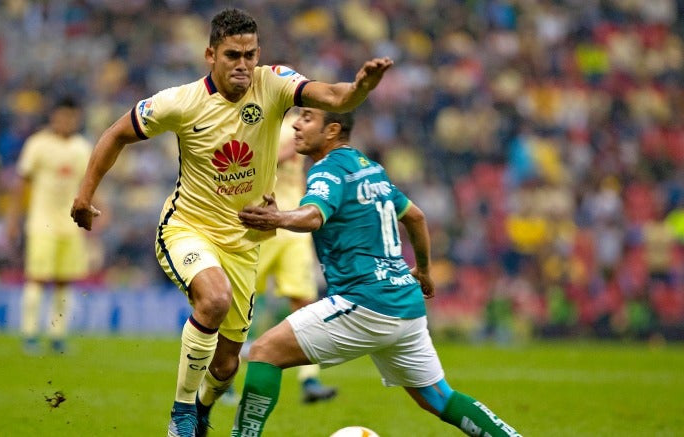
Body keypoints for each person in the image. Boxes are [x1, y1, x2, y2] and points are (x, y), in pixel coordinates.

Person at [69, 8, 393, 437]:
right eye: (232, 55)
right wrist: (85, 195)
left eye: (250, 55)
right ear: (210, 55)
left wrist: (360, 88)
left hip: (245, 242)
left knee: (225, 365)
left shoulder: (273, 83)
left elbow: (334, 97)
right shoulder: (180, 102)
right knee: (214, 299)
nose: (243, 65)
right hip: (188, 227)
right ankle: (182, 414)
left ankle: (202, 408)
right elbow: (116, 134)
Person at [233, 108, 522, 437]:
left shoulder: (328, 170)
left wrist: (278, 218)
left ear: (332, 130)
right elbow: (415, 216)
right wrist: (424, 271)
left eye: (308, 118)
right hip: (405, 302)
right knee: (438, 398)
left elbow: (314, 215)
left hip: (366, 301)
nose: (296, 124)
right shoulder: (371, 168)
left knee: (263, 352)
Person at [247, 108, 338, 404]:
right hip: (263, 225)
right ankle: (224, 376)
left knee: (304, 303)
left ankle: (309, 380)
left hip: (293, 225)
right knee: (243, 301)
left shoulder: (296, 127)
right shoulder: (255, 124)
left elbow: (287, 155)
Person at [6, 96, 92, 355]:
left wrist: (95, 213)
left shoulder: (81, 147)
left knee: (65, 281)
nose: (66, 121)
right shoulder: (38, 144)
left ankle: (57, 336)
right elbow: (22, 183)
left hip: (71, 223)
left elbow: (88, 184)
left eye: (71, 117)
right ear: (53, 117)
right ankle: (30, 334)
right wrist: (13, 218)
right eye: (61, 116)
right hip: (41, 222)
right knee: (37, 278)